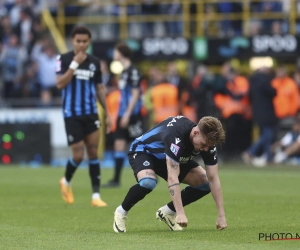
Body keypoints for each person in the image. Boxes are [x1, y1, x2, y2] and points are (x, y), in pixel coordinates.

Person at [113, 115, 227, 233]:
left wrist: (221, 215)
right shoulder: (176, 135)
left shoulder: (207, 144)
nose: (206, 149)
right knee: (148, 182)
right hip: (144, 151)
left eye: (210, 145)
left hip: (173, 157)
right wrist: (181, 213)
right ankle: (121, 212)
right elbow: (173, 177)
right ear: (196, 133)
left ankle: (168, 212)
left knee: (206, 183)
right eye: (204, 144)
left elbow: (213, 177)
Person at [56, 26, 112, 207]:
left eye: (84, 41)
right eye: (78, 41)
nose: (81, 45)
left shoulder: (95, 62)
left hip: (91, 114)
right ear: (72, 41)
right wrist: (74, 64)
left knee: (94, 153)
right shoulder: (63, 59)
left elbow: (99, 89)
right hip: (71, 114)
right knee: (79, 156)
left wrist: (108, 113)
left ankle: (96, 196)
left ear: (89, 42)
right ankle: (66, 181)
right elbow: (59, 84)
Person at [103, 43, 143, 188]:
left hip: (132, 115)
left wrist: (127, 115)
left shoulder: (133, 71)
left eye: (115, 51)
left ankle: (150, 174)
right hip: (122, 114)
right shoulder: (124, 72)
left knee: (140, 146)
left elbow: (135, 94)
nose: (113, 54)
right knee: (118, 144)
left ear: (120, 53)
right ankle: (116, 179)